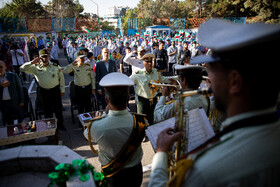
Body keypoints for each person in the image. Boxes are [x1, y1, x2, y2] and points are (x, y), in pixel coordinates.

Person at [148, 19, 280, 187]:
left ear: (234, 81)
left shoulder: (205, 171)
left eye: (213, 71)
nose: (208, 79)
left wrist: (161, 153)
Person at [84, 72, 147, 187]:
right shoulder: (141, 122)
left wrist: (104, 115)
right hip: (135, 173)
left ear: (107, 100)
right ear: (128, 98)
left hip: (111, 175)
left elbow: (86, 134)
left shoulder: (96, 127)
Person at [20, 48, 66, 130]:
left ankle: (61, 125)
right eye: (42, 57)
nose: (44, 59)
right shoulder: (35, 67)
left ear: (49, 57)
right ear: (39, 57)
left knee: (58, 109)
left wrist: (62, 90)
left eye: (46, 56)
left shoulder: (55, 66)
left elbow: (61, 79)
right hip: (43, 91)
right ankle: (50, 126)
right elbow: (22, 68)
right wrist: (32, 62)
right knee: (47, 110)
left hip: (55, 90)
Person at [130, 53, 171, 125]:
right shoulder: (138, 74)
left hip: (153, 100)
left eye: (150, 62)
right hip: (142, 101)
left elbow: (164, 79)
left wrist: (176, 79)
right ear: (143, 63)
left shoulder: (156, 72)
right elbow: (128, 82)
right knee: (142, 121)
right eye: (147, 62)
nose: (149, 64)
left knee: (152, 120)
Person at [0, 61, 24, 125]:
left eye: (1, 67)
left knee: (20, 120)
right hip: (4, 104)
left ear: (5, 67)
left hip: (15, 102)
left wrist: (21, 101)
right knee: (9, 122)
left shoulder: (13, 76)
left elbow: (20, 88)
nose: (0, 69)